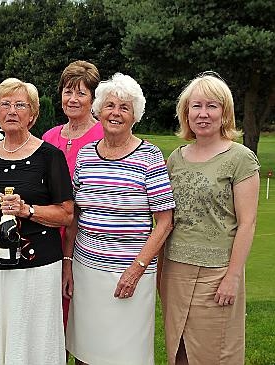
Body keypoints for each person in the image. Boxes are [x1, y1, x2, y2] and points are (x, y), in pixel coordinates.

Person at [63, 73, 175, 365]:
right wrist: (67, 263)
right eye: (110, 105)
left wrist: (136, 270)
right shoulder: (86, 155)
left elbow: (164, 222)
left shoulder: (150, 157)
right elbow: (76, 214)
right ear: (99, 111)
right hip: (87, 272)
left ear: (135, 115)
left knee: (126, 355)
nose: (115, 113)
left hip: (130, 276)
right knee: (86, 352)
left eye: (124, 107)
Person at [0, 78, 74, 365]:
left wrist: (28, 210)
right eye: (5, 104)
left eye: (20, 105)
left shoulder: (50, 156)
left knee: (32, 339)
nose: (12, 110)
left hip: (37, 265)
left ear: (33, 114)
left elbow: (67, 213)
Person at [160, 72, 260, 364]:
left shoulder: (240, 158)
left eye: (212, 106)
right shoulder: (175, 158)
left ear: (224, 112)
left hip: (217, 274)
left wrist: (232, 277)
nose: (203, 114)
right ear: (186, 113)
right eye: (196, 106)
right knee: (179, 352)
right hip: (176, 272)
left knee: (216, 354)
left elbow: (247, 224)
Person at [42, 60, 103, 330]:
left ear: (93, 98)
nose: (73, 99)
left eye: (81, 93)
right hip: (47, 233)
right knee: (49, 317)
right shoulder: (50, 136)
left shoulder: (103, 134)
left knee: (81, 320)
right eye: (68, 91)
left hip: (84, 237)